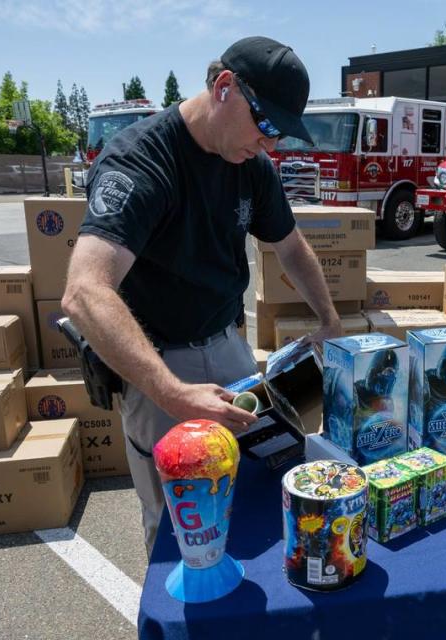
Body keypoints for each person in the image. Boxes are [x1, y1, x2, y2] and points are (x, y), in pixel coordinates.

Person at [62, 36, 342, 554]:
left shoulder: (251, 164)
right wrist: (172, 392)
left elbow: (290, 245)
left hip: (228, 346)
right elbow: (83, 292)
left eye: (282, 133)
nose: (271, 144)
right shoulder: (142, 161)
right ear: (224, 88)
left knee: (256, 490)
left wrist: (328, 319)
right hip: (159, 364)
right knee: (180, 522)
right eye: (268, 125)